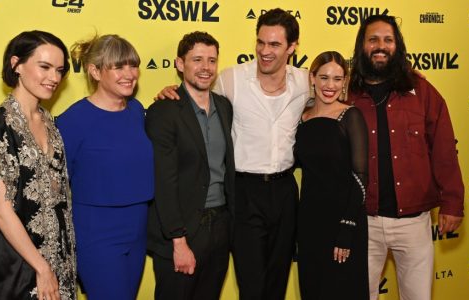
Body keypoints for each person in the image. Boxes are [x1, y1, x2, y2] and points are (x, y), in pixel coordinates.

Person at [156, 8, 309, 299]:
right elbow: (194, 98)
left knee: (278, 280)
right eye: (260, 42)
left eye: (275, 44)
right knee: (250, 284)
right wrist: (169, 92)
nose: (265, 51)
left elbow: (334, 94)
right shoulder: (231, 79)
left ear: (291, 47)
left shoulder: (305, 82)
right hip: (244, 192)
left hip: (286, 191)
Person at [348, 15, 465, 300]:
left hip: (414, 222)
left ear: (397, 47)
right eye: (373, 39)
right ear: (361, 46)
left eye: (388, 40)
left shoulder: (423, 92)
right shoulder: (346, 91)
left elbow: (444, 150)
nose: (380, 46)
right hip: (364, 220)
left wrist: (452, 202)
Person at [0, 30, 76, 300]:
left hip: (59, 263)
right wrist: (41, 268)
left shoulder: (49, 123)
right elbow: (0, 209)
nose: (54, 78)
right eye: (44, 67)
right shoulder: (0, 124)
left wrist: (55, 266)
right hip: (19, 267)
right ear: (16, 65)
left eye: (59, 70)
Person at [56, 35, 154, 300]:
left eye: (133, 66)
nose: (129, 74)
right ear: (95, 71)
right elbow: (55, 186)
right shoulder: (72, 121)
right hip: (96, 232)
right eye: (118, 67)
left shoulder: (136, 111)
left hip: (137, 228)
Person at [146, 31, 235, 300]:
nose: (205, 68)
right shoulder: (164, 111)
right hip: (182, 231)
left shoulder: (224, 106)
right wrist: (178, 240)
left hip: (220, 226)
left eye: (211, 60)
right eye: (197, 59)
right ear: (180, 64)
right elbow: (164, 180)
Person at [295, 51, 369, 299]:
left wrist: (347, 228)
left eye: (338, 79)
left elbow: (360, 177)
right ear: (312, 78)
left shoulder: (351, 116)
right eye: (324, 77)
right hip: (309, 223)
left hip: (342, 223)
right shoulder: (302, 117)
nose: (330, 86)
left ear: (345, 81)